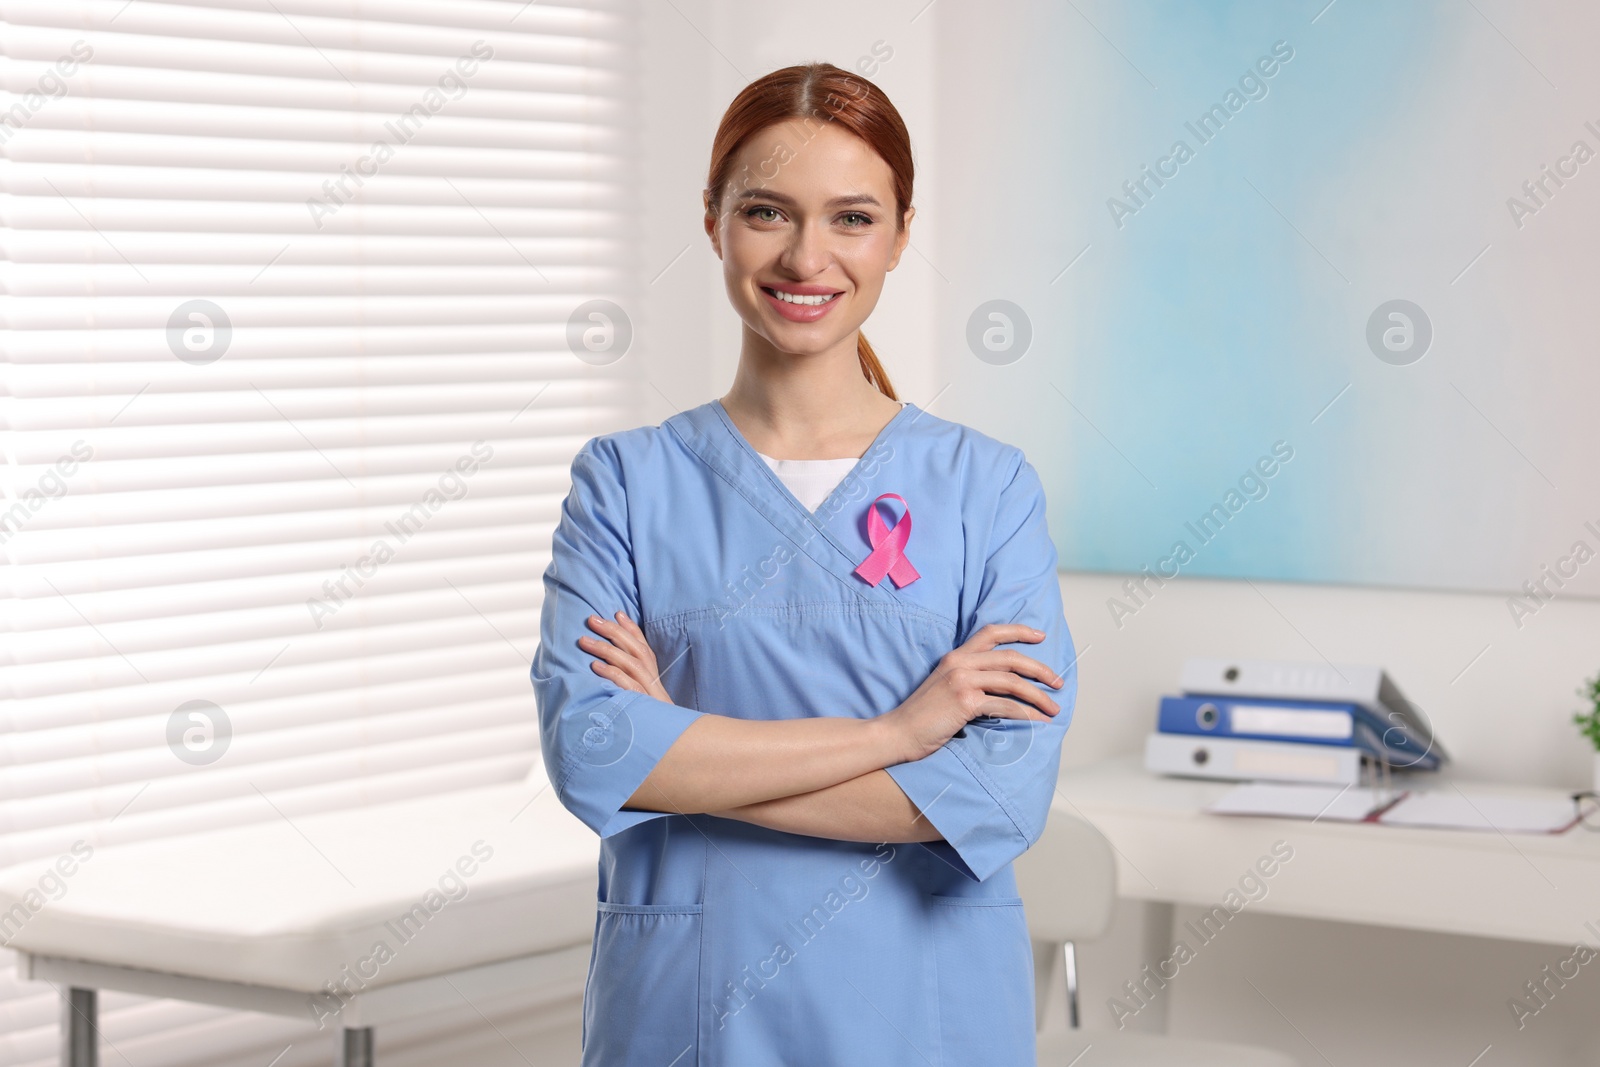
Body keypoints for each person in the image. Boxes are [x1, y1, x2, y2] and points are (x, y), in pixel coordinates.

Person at [531, 61, 1078, 1067]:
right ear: (712, 220)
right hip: (691, 1009)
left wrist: (684, 762)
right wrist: (898, 731)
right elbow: (596, 753)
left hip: (926, 1006)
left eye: (852, 218)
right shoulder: (625, 482)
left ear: (903, 232)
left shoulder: (987, 489)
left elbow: (997, 796)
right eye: (768, 211)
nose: (806, 256)